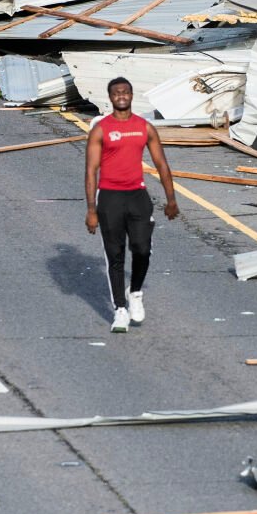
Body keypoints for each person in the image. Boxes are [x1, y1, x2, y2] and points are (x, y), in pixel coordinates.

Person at [85, 76, 178, 333]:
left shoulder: (144, 127)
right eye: (117, 93)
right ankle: (120, 309)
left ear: (132, 95)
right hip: (110, 198)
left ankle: (135, 291)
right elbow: (91, 170)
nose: (121, 96)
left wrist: (171, 199)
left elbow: (161, 164)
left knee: (142, 249)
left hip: (137, 197)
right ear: (111, 97)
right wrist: (91, 210)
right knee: (115, 256)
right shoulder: (101, 129)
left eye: (125, 92)